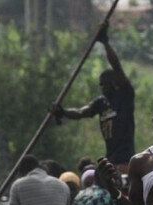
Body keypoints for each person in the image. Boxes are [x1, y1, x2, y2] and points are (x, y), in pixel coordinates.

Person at [53, 23, 135, 174]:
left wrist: (105, 43)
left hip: (125, 159)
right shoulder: (101, 102)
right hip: (111, 158)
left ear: (114, 83)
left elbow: (117, 66)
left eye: (104, 84)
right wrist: (63, 112)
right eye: (100, 85)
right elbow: (81, 112)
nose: (102, 88)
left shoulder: (125, 95)